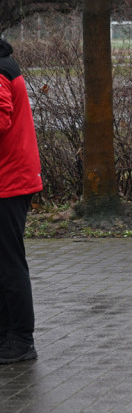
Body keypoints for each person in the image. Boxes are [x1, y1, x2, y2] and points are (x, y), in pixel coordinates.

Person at [0, 38, 42, 364]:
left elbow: (1, 118)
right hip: (9, 179)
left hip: (9, 182)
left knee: (9, 262)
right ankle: (7, 336)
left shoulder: (0, 68)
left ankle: (21, 339)